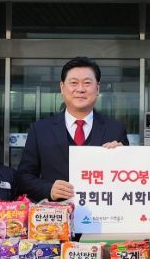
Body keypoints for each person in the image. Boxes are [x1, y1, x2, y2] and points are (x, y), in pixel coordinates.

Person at [17, 56, 129, 202]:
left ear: (97, 88)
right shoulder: (40, 130)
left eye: (87, 83)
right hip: (55, 214)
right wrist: (48, 189)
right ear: (62, 88)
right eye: (74, 83)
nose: (80, 89)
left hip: (102, 213)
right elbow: (23, 177)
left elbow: (129, 178)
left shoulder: (115, 130)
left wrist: (123, 157)